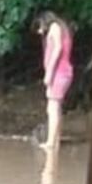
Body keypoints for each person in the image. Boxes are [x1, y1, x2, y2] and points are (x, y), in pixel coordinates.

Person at [32, 11, 74, 151]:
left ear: (45, 21)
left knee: (52, 108)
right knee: (56, 107)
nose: (39, 31)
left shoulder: (55, 27)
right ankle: (55, 140)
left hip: (59, 73)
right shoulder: (62, 28)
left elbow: (57, 49)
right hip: (63, 72)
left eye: (40, 26)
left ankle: (51, 142)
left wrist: (49, 72)